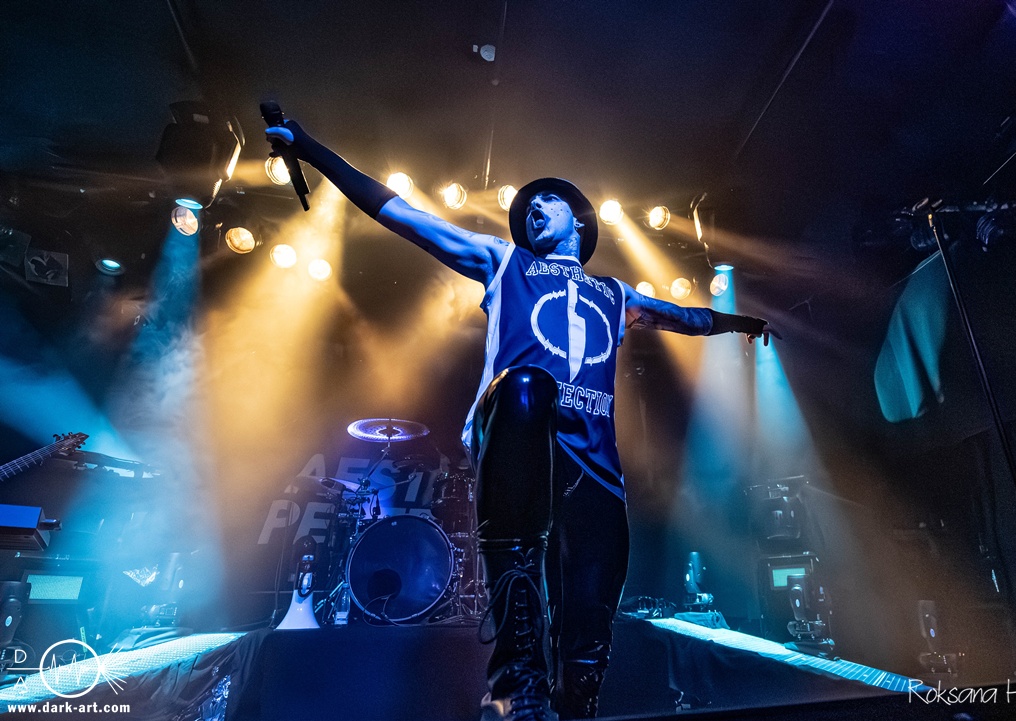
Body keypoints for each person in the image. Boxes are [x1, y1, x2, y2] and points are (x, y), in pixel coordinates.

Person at [265, 118, 776, 721]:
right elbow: (403, 215)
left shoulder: (617, 295)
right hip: (514, 441)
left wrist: (741, 324)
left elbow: (685, 317)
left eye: (548, 200)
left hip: (593, 466)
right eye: (529, 204)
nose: (533, 207)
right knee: (529, 386)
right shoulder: (503, 261)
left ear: (579, 221)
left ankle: (576, 701)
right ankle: (516, 684)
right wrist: (310, 148)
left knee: (592, 605)